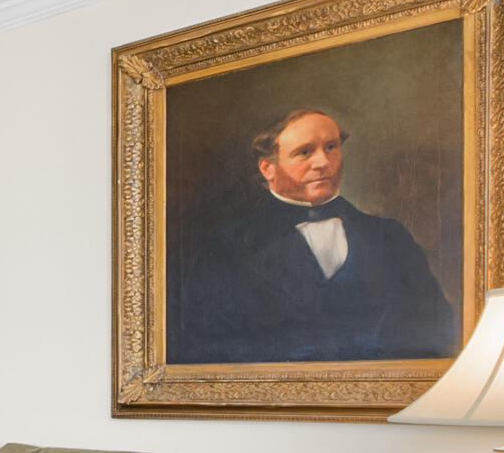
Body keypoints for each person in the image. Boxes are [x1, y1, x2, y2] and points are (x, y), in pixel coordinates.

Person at [173, 107, 457, 364]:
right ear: (268, 168)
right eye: (305, 152)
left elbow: (435, 329)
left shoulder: (390, 237)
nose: (323, 162)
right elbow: (205, 345)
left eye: (331, 147)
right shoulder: (226, 247)